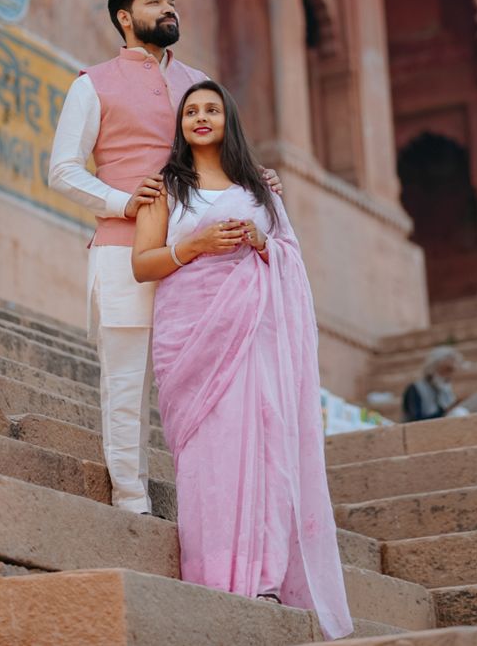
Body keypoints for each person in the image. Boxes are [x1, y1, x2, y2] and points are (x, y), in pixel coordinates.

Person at [48, 0, 279, 514]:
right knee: (127, 383)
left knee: (200, 381)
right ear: (125, 18)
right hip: (123, 252)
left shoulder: (198, 86)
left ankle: (211, 504)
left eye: (172, 2)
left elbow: (219, 157)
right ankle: (133, 503)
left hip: (201, 260)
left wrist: (254, 180)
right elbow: (61, 170)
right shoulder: (93, 83)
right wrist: (123, 202)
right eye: (156, 2)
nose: (170, 10)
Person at [132, 80, 353, 641]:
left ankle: (266, 576)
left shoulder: (260, 189)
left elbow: (289, 258)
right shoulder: (167, 188)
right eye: (190, 111)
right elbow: (144, 264)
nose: (200, 118)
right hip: (191, 339)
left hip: (255, 336)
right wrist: (198, 245)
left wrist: (260, 239)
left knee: (265, 449)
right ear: (180, 124)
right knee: (209, 458)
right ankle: (214, 574)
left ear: (228, 119)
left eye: (211, 109)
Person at [402, 346, 466, 422]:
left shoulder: (445, 389)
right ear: (434, 367)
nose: (449, 375)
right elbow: (414, 419)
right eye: (447, 370)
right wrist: (446, 411)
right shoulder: (415, 389)